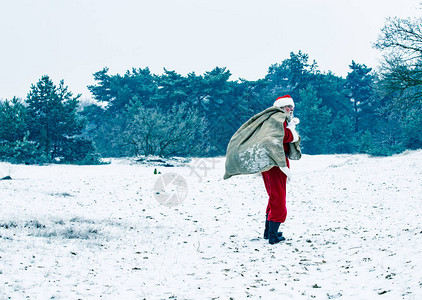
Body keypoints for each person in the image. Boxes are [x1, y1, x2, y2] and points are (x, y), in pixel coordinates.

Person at [262, 95, 299, 244]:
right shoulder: (278, 118)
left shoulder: (272, 118)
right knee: (278, 197)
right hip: (275, 163)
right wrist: (292, 130)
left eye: (292, 107)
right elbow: (283, 136)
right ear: (281, 107)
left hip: (271, 162)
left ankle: (268, 231)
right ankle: (273, 235)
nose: (291, 110)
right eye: (288, 107)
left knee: (274, 195)